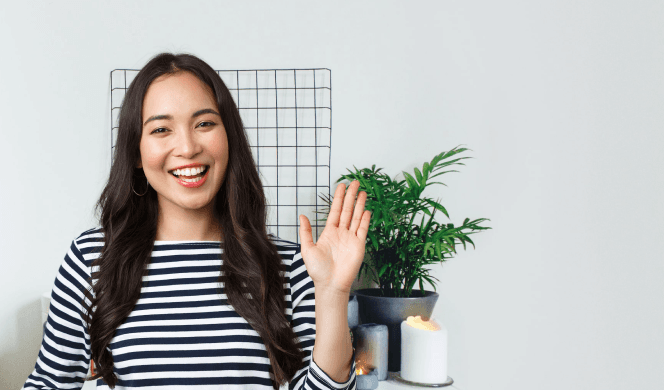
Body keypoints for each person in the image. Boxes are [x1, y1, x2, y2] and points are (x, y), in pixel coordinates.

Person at [22, 52, 371, 390]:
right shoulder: (92, 257)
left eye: (204, 124)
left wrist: (332, 293)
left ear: (229, 138)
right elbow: (47, 383)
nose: (187, 147)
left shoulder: (290, 264)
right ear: (137, 153)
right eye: (161, 130)